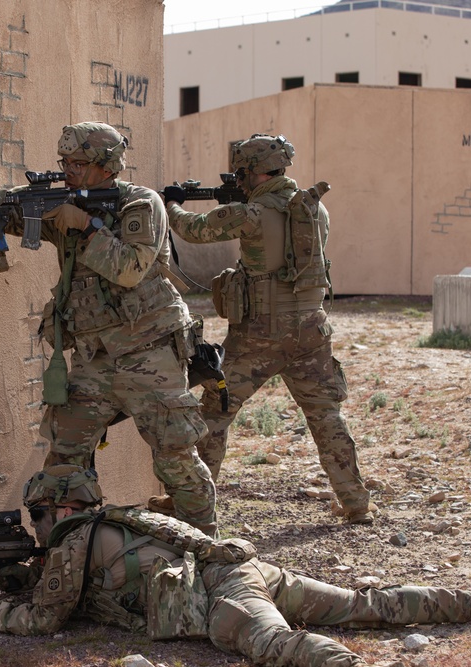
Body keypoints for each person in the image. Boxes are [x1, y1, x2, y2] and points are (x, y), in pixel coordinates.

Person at [0, 465, 471, 667]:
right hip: (242, 573)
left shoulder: (74, 539)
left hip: (222, 598)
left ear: (66, 509)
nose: (38, 527)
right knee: (360, 603)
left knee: (276, 646)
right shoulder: (108, 524)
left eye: (41, 514)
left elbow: (47, 619)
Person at [0, 121, 216, 535]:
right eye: (65, 162)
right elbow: (19, 215)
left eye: (78, 162)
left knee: (174, 455)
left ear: (107, 166)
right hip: (93, 360)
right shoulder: (68, 203)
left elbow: (129, 269)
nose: (68, 169)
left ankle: (208, 551)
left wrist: (87, 226)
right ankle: (67, 553)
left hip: (149, 352)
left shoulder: (141, 204)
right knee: (63, 462)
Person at [160, 133, 373, 524]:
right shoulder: (313, 209)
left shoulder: (251, 214)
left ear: (249, 172)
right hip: (312, 330)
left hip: (260, 334)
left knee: (215, 410)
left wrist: (169, 203)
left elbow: (193, 229)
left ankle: (191, 505)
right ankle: (356, 503)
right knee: (326, 416)